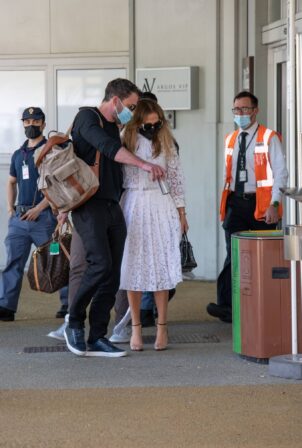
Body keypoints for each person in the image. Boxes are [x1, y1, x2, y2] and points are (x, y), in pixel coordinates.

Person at [63, 78, 165, 357]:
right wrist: (144, 164)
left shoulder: (114, 125)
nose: (132, 111)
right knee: (99, 264)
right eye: (131, 106)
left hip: (111, 204)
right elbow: (109, 149)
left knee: (113, 272)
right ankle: (73, 323)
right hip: (88, 205)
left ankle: (97, 335)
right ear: (116, 100)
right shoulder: (87, 118)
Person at [206, 91, 288, 323]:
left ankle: (264, 304)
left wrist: (274, 204)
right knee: (234, 256)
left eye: (244, 109)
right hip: (235, 203)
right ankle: (228, 307)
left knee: (263, 258)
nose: (240, 114)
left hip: (261, 205)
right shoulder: (230, 139)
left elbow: (280, 174)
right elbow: (228, 175)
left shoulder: (269, 137)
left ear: (255, 110)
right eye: (236, 110)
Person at [119, 98, 188, 351]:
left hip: (161, 203)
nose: (152, 127)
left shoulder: (167, 140)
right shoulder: (125, 138)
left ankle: (162, 327)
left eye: (156, 123)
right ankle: (136, 328)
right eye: (147, 123)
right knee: (133, 265)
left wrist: (182, 212)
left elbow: (177, 178)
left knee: (160, 266)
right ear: (137, 121)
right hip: (133, 204)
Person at [0, 107, 68, 322]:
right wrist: (11, 209)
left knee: (56, 261)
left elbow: (58, 184)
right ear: (23, 124)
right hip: (19, 221)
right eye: (27, 122)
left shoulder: (50, 151)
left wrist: (39, 208)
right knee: (13, 263)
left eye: (35, 121)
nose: (31, 125)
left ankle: (68, 306)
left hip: (44, 219)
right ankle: (6, 307)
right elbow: (11, 182)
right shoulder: (18, 154)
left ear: (43, 124)